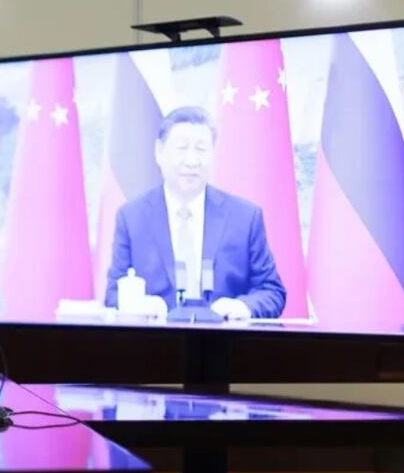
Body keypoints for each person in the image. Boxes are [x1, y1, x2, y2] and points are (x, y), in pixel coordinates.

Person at [104, 106, 286, 319]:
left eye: (201, 149)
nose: (192, 161)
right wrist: (139, 305)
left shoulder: (245, 217)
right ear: (159, 152)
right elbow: (113, 295)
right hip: (155, 346)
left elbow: (272, 291)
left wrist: (242, 307)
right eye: (181, 148)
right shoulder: (132, 218)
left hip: (225, 345)